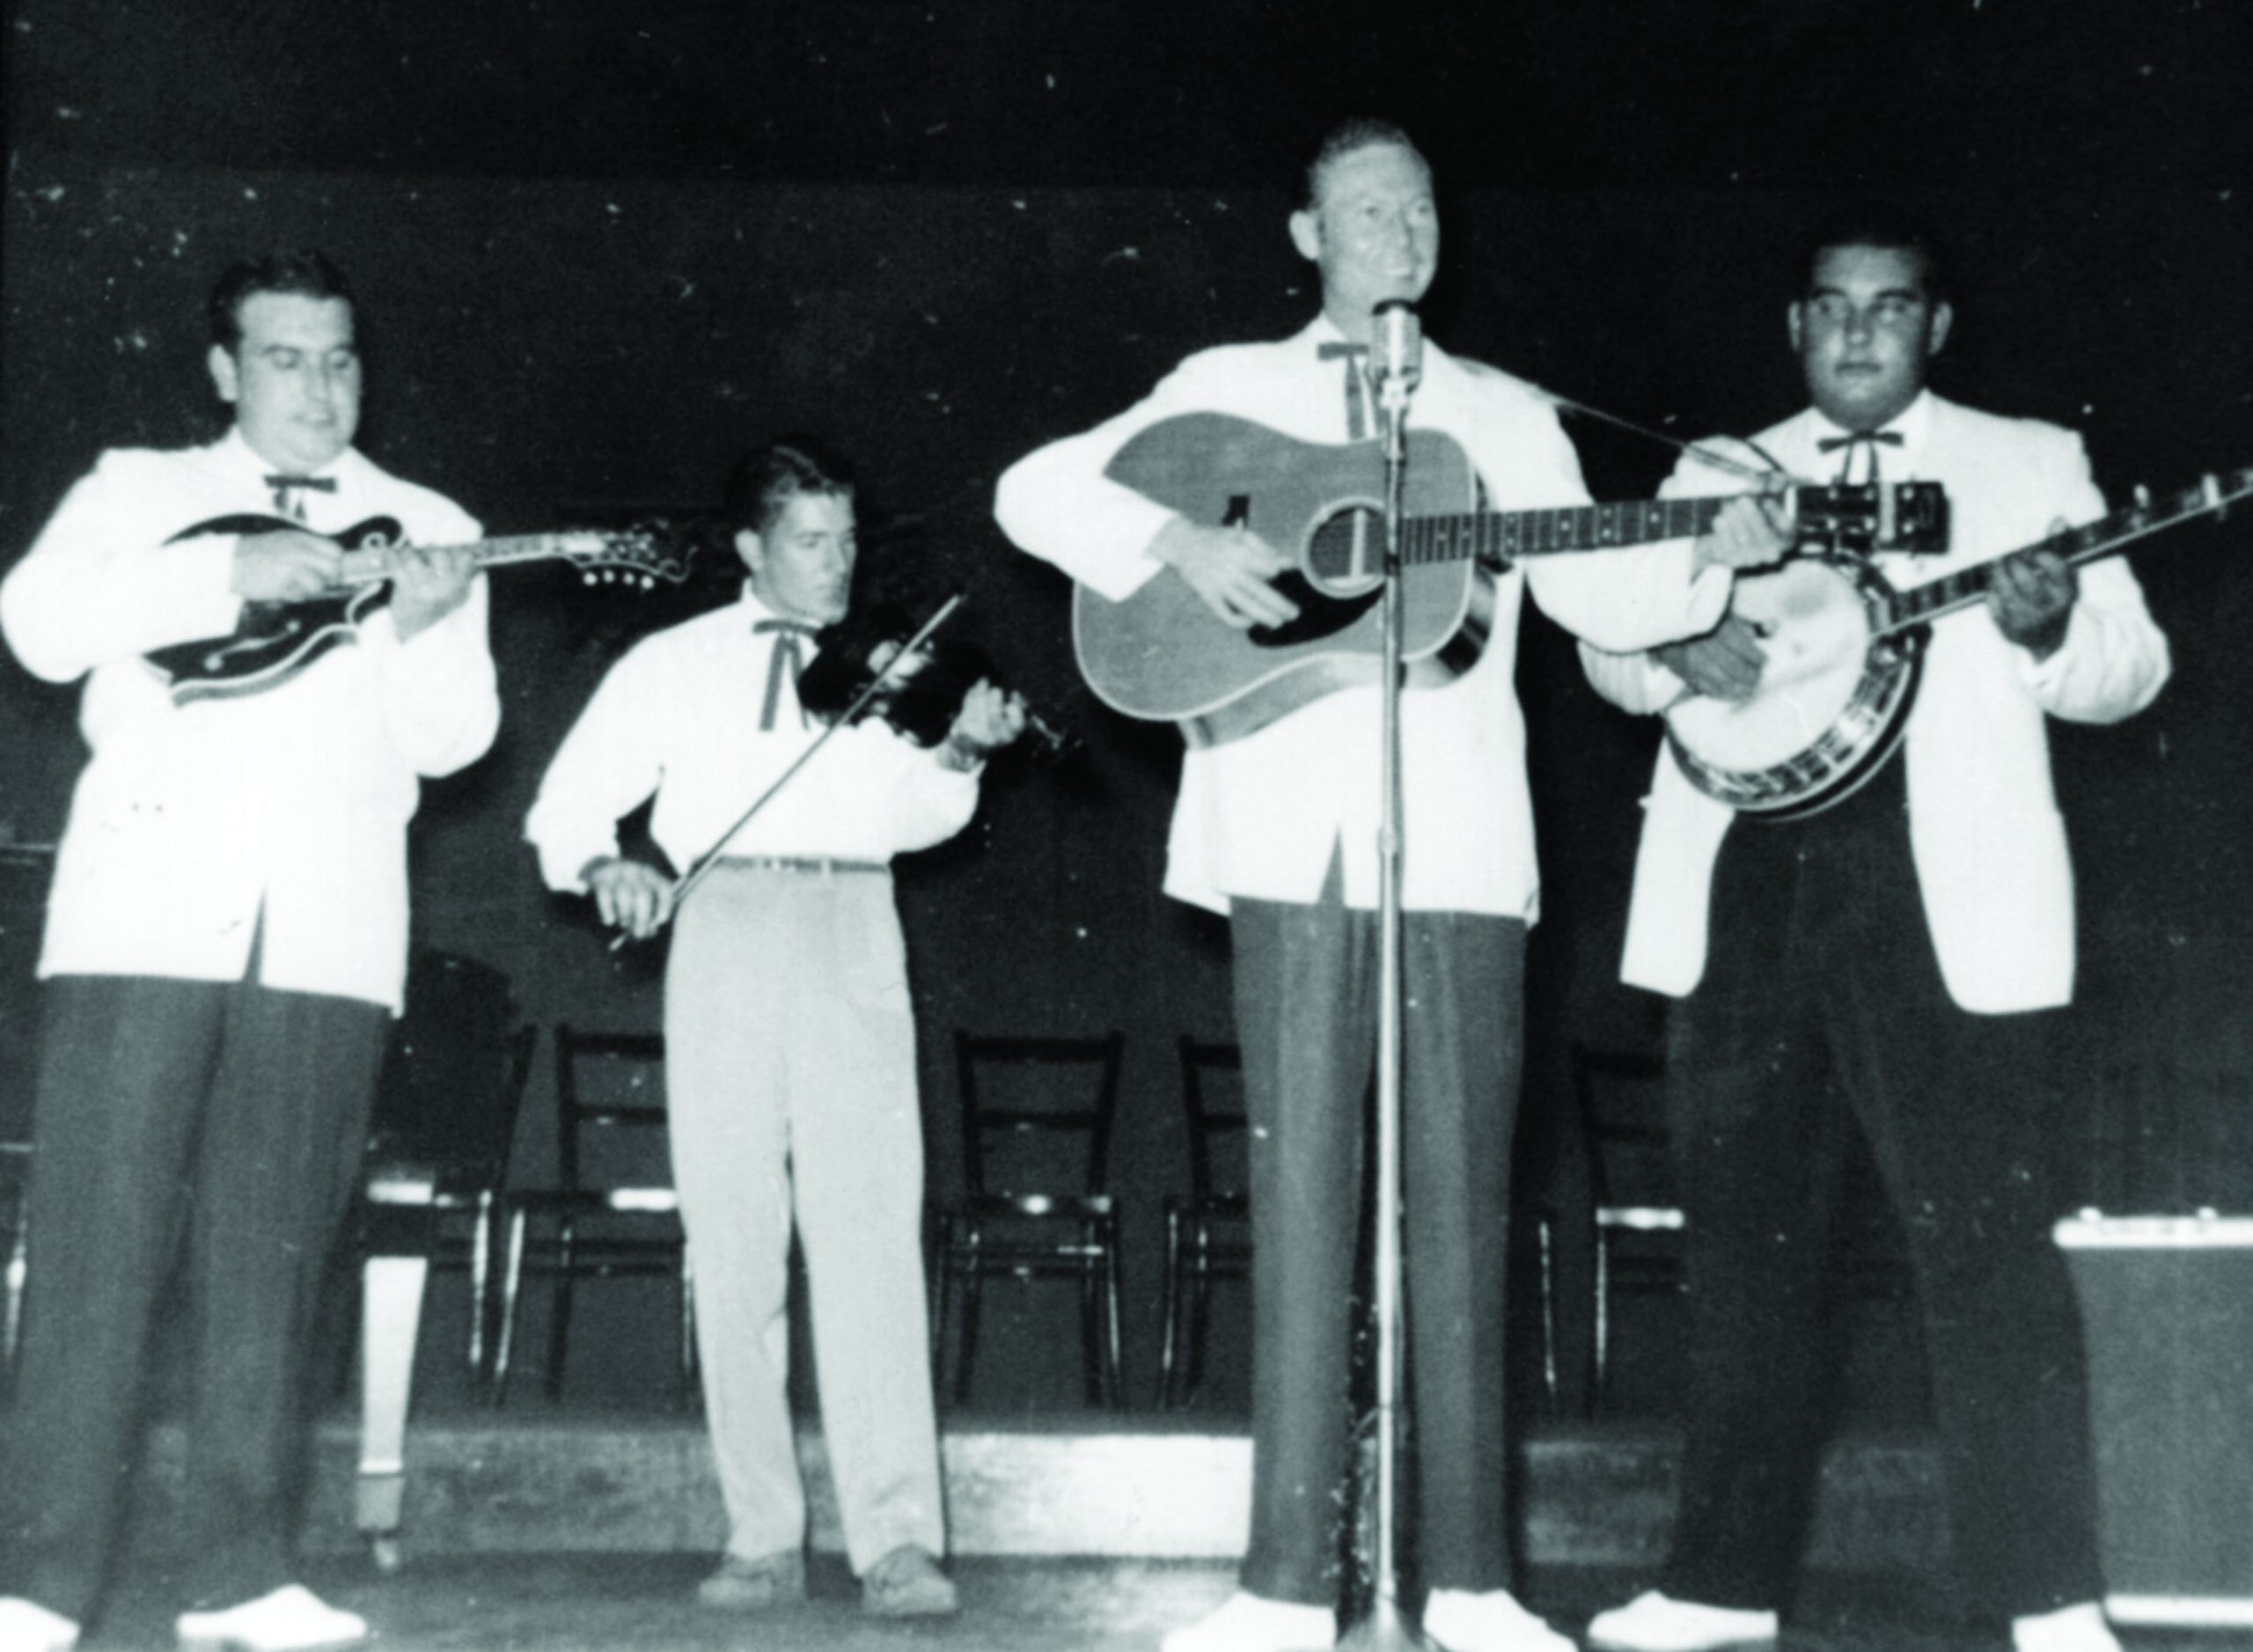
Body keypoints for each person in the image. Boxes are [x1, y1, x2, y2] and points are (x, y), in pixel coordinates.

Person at [994, 119, 1777, 1652]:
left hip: (1467, 853)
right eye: (1367, 210)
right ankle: (1281, 1588)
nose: (1401, 233)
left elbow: (1600, 585)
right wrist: (1175, 539)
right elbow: (1035, 490)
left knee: (1464, 1214)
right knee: (1297, 1210)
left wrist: (1712, 549)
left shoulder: (1498, 414)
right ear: (1308, 235)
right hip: (1292, 839)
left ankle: (1474, 1581)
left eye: (1419, 208)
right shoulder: (1229, 387)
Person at [1578, 209, 2170, 1652]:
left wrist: (2044, 633)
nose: (1856, 332)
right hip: (1745, 885)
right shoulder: (1722, 468)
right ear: (1795, 325)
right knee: (1742, 1254)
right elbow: (1606, 643)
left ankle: (2047, 1596)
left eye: (1890, 309)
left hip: (1942, 891)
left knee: (1983, 1254)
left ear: (1935, 329)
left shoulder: (2029, 464)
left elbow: (2132, 667)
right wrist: (1670, 649)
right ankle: (1719, 1583)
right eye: (1831, 308)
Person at [0, 250, 494, 1652]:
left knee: (272, 1269)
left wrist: (421, 628)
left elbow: (454, 742)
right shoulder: (134, 489)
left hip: (329, 938)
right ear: (225, 370)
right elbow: (34, 626)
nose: (320, 386)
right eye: (285, 358)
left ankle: (240, 1575)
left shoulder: (429, 520)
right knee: (98, 1254)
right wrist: (225, 567)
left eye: (339, 358)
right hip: (142, 918)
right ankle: (35, 1584)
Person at [524, 438, 1023, 1621]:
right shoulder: (671, 661)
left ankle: (898, 1540)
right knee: (735, 1238)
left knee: (868, 1236)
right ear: (751, 547)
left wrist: (960, 747)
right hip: (726, 917)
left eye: (848, 539)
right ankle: (760, 1532)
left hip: (855, 915)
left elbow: (920, 816)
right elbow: (566, 804)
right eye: (812, 541)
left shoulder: (889, 664)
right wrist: (608, 864)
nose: (839, 563)